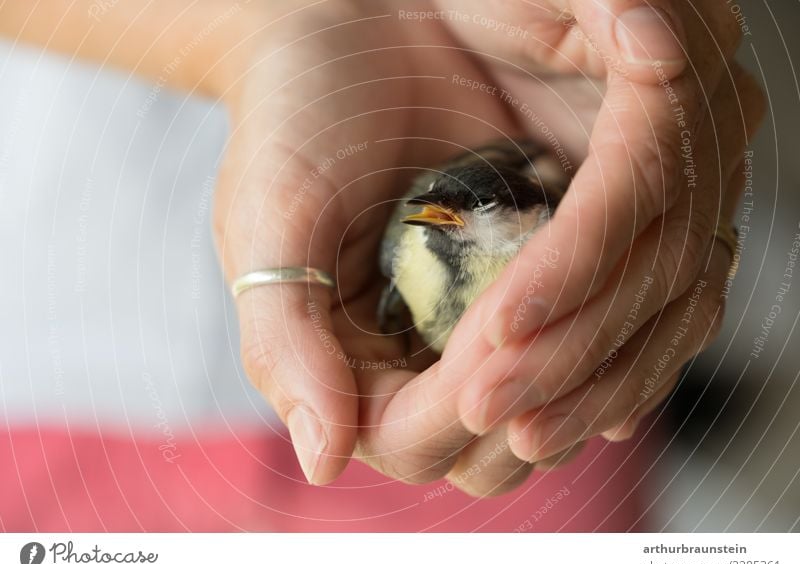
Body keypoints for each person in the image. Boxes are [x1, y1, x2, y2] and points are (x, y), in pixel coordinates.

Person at [0, 0, 764, 499]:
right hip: (58, 376)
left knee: (537, 408)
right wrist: (259, 31)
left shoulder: (494, 221)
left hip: (487, 440)